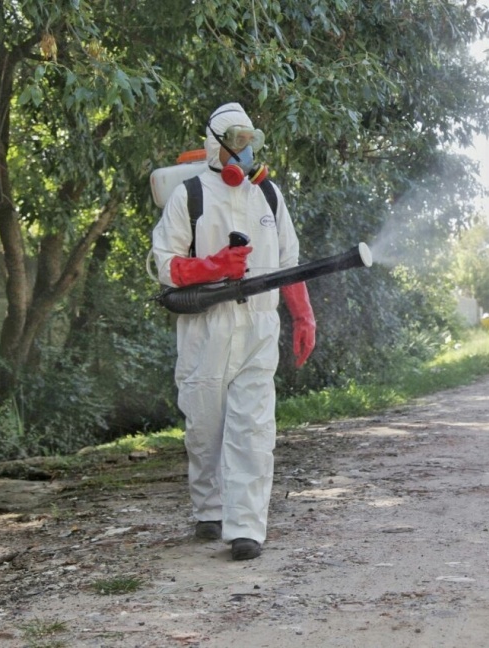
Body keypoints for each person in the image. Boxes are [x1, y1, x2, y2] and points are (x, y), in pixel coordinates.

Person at [151, 103, 316, 561]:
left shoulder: (269, 196)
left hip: (259, 325)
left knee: (253, 427)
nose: (245, 154)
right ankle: (210, 508)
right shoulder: (191, 196)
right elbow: (163, 264)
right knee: (206, 425)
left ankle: (245, 527)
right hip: (207, 326)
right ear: (217, 144)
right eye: (238, 143)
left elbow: (289, 262)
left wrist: (303, 316)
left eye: (250, 144)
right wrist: (213, 267)